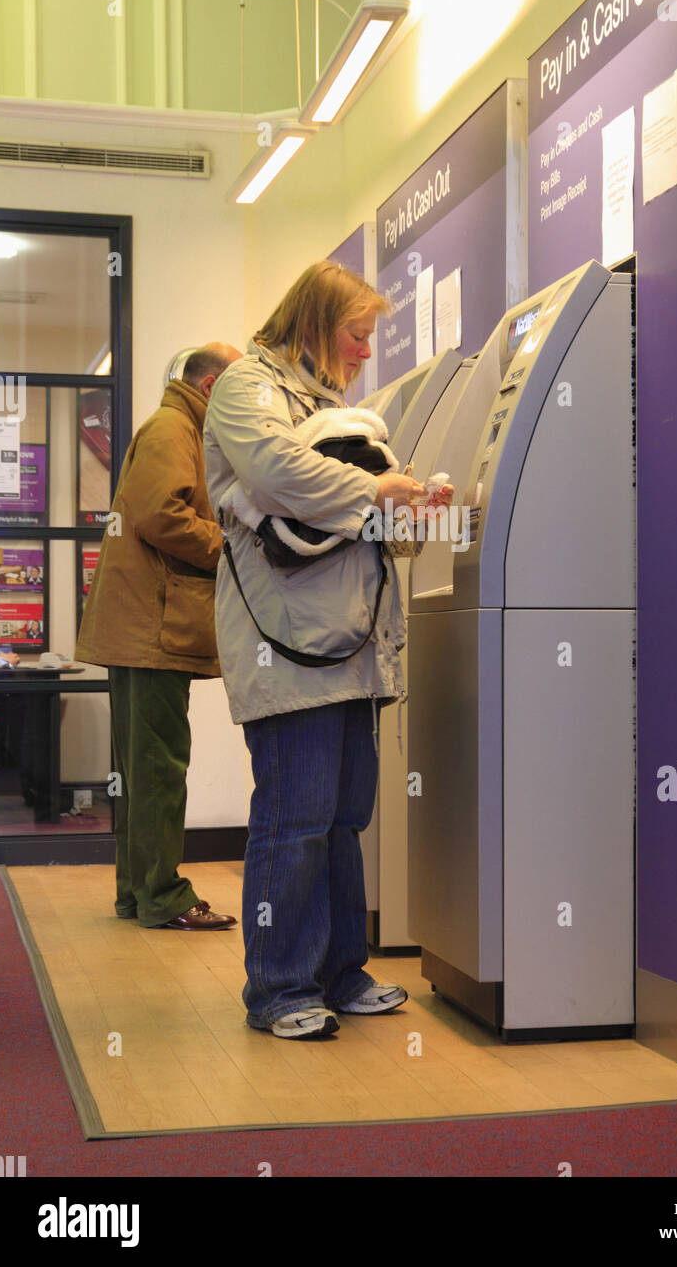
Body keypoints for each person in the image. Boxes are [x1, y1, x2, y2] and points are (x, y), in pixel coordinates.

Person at [204, 261, 451, 1040]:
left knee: (344, 818)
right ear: (314, 323)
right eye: (357, 333)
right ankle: (278, 988)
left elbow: (356, 522)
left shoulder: (333, 406)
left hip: (352, 647)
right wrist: (380, 492)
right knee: (296, 818)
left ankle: (341, 971)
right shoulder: (248, 390)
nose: (367, 351)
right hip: (292, 650)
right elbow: (278, 474)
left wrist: (413, 510)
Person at [76, 343, 243, 930]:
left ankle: (137, 893)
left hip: (145, 627)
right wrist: (231, 549)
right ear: (210, 385)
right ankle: (163, 896)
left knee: (143, 767)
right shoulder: (176, 429)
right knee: (159, 767)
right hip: (152, 629)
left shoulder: (176, 426)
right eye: (237, 386)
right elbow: (159, 514)